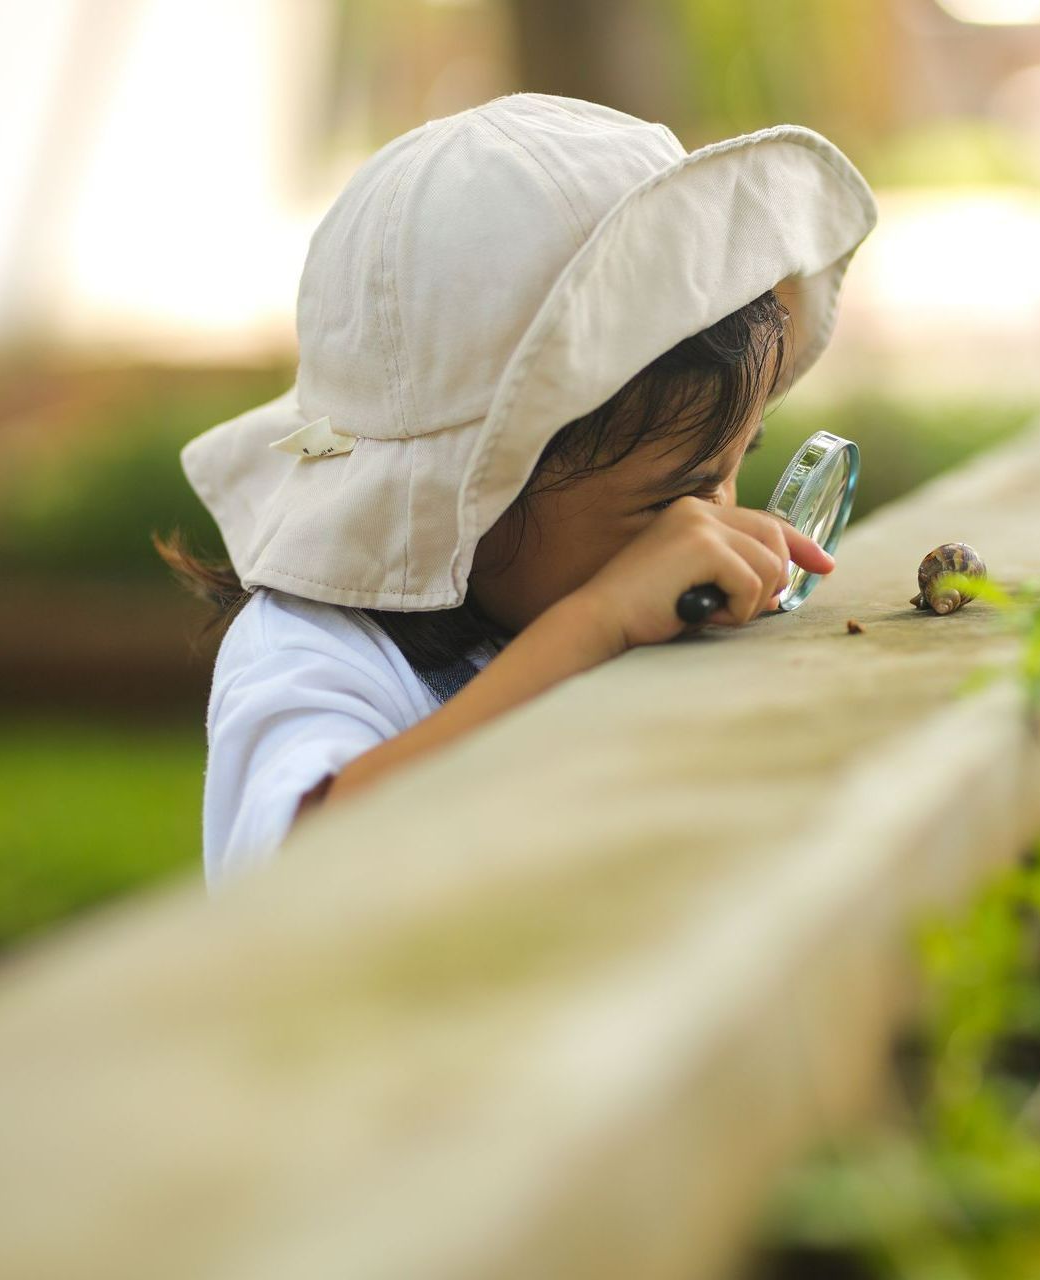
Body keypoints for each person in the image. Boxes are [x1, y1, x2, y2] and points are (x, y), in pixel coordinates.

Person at [155, 92, 878, 890]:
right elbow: (301, 867)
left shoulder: (562, 597)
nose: (702, 531)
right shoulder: (312, 652)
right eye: (668, 500)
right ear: (464, 504)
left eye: (729, 471)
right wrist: (592, 626)